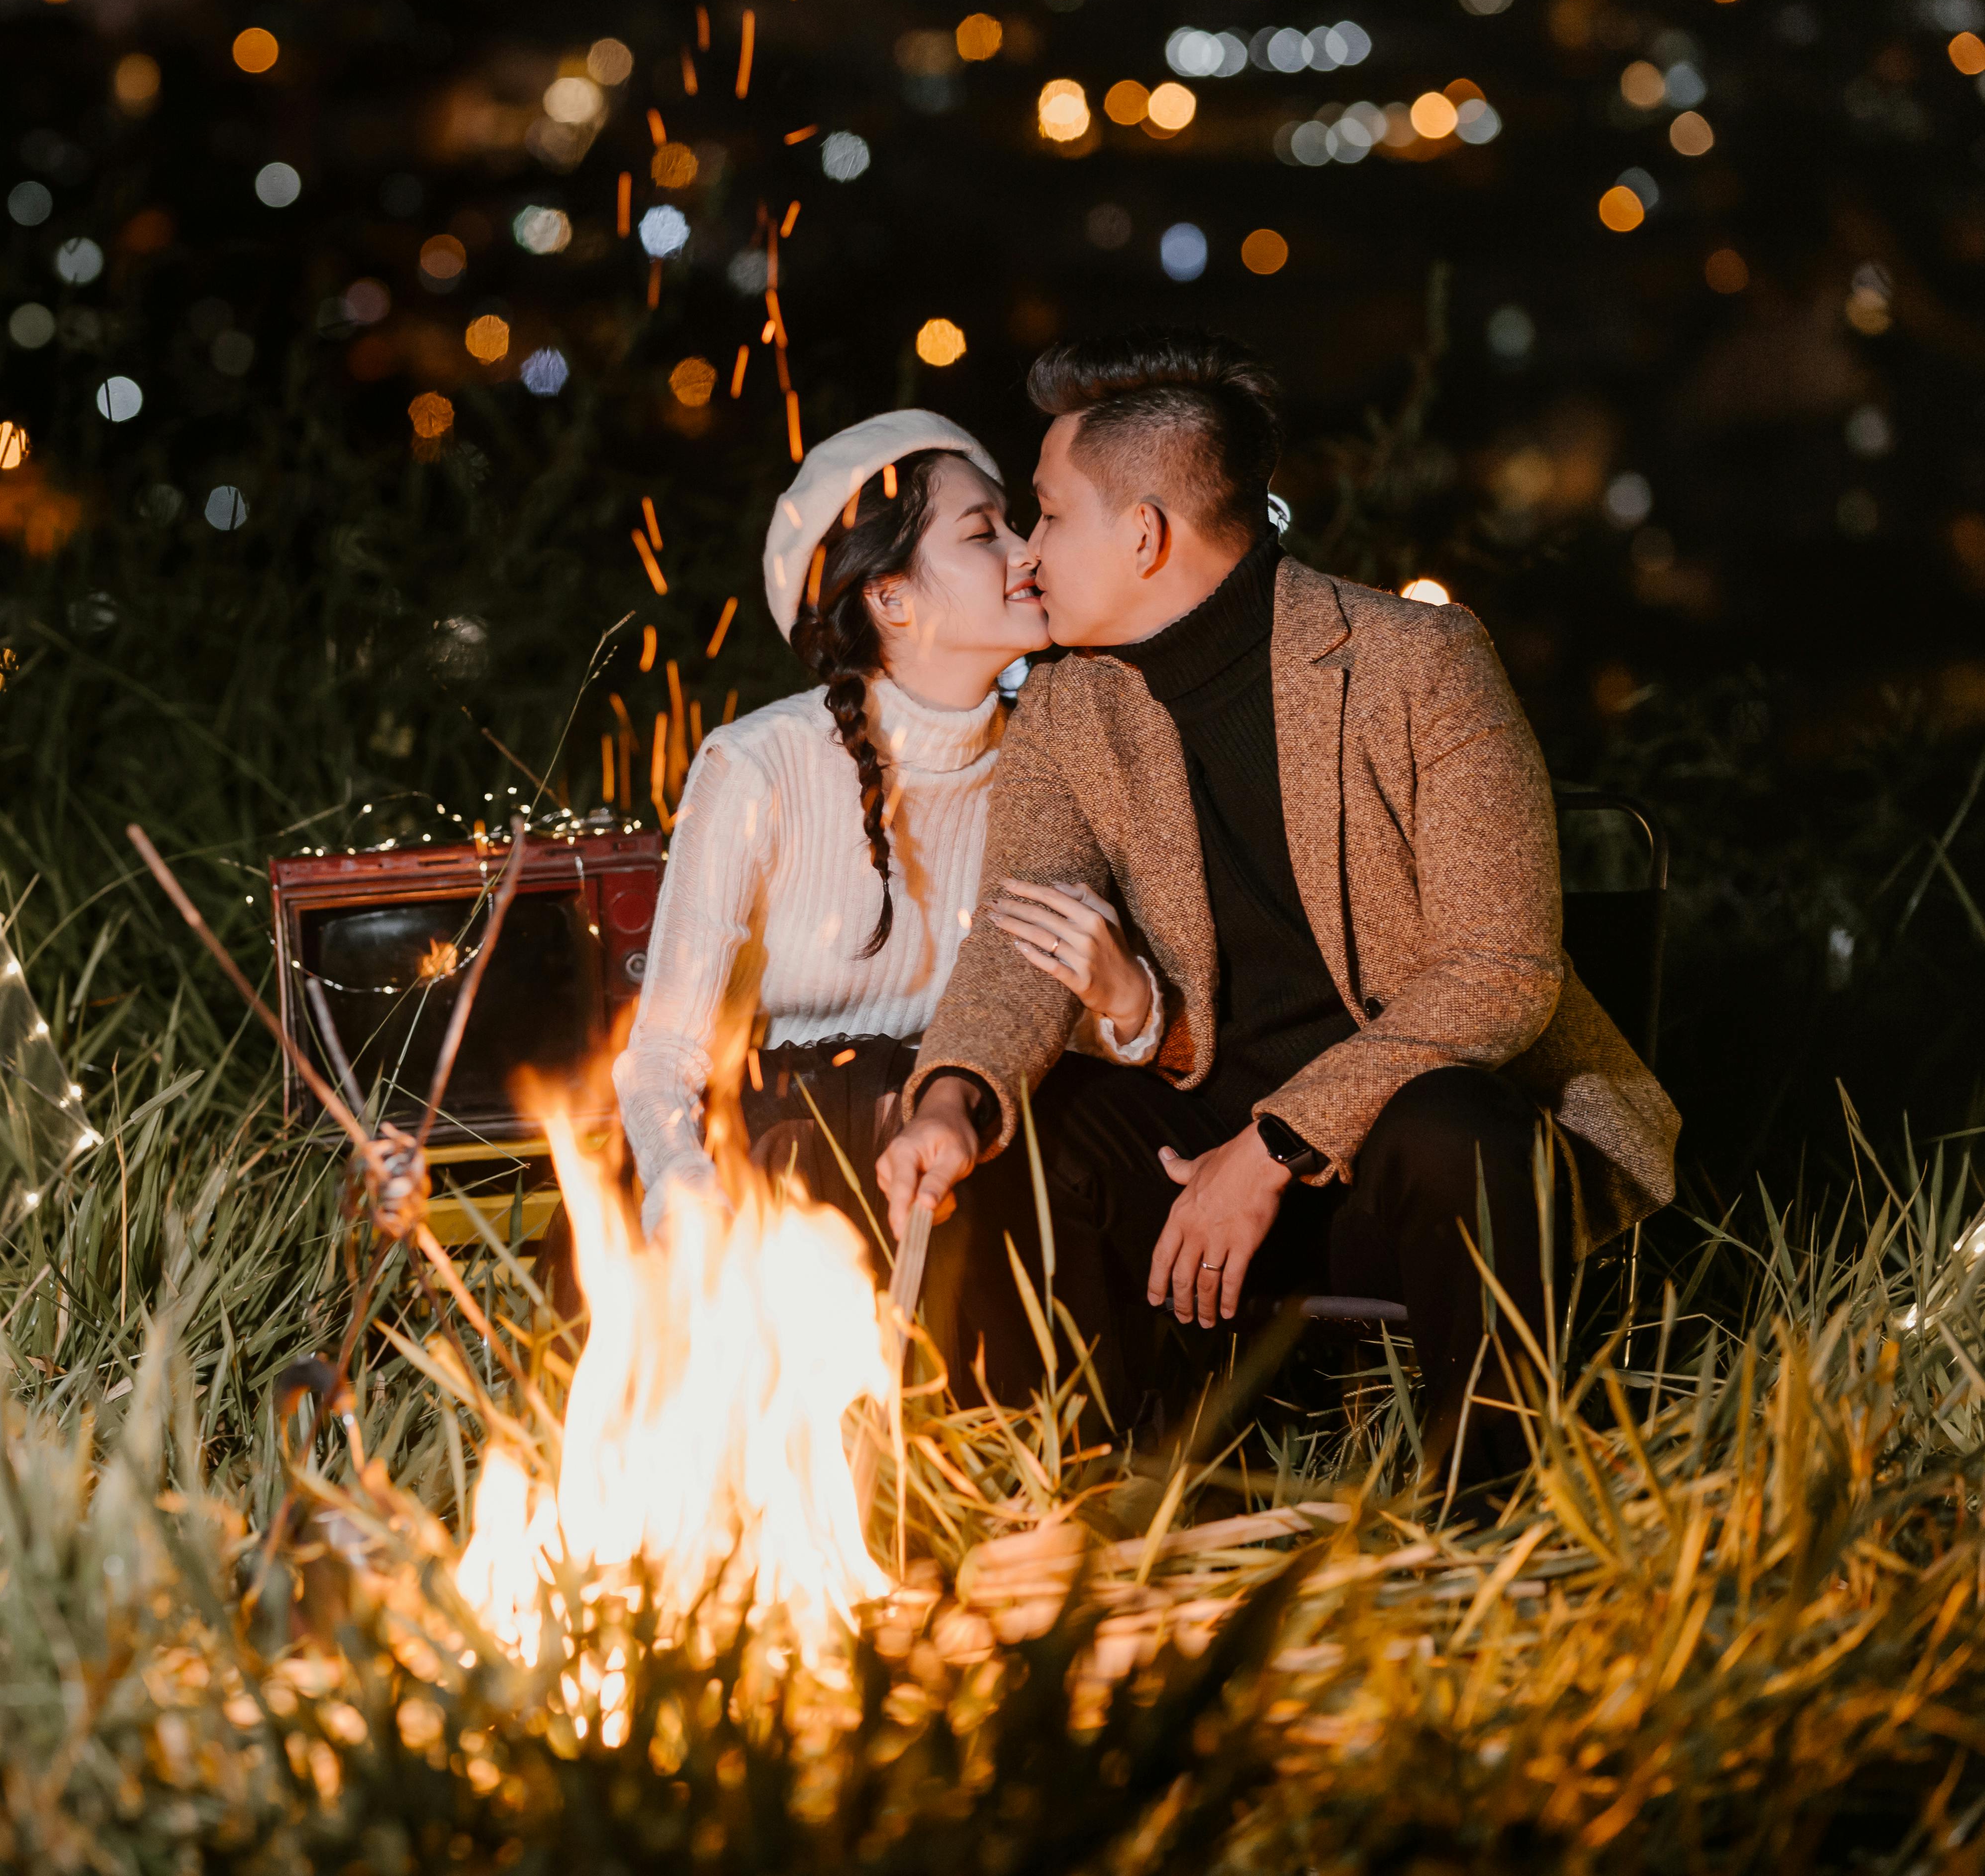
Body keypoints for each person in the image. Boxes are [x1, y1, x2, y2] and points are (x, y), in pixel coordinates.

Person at [873, 329, 1680, 1497]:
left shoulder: (1417, 662)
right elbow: (1020, 944)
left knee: (1461, 1127)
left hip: (1396, 1161)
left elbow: (1501, 974)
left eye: (1048, 516)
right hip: (1192, 1141)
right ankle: (1102, 1499)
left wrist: (1275, 1147)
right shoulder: (1068, 704)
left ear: (1144, 535)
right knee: (1027, 1141)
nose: (1030, 553)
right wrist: (953, 1098)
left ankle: (1495, 1517)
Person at [613, 409, 1098, 1401]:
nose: (1026, 551)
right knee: (859, 1102)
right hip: (786, 1142)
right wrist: (680, 1183)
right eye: (985, 532)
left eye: (1018, 525)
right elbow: (664, 1052)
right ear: (890, 596)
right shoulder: (761, 764)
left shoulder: (1053, 758)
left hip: (977, 1121)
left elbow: (1075, 1013)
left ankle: (1055, 1469)